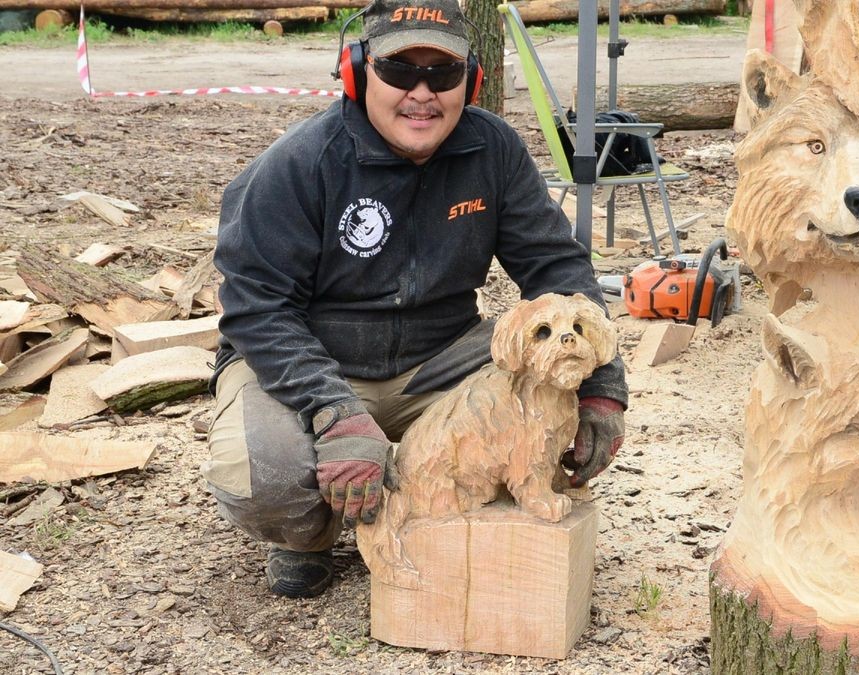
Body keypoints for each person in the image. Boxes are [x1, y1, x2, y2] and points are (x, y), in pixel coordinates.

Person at [202, 0, 627, 599]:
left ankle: (468, 517)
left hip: (439, 359)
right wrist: (335, 410)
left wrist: (602, 389)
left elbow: (557, 269)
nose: (421, 93)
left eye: (442, 74)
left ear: (470, 82)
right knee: (261, 475)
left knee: (541, 390)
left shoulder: (493, 150)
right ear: (358, 73)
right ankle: (306, 534)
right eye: (401, 71)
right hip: (306, 360)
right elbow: (256, 308)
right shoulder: (298, 165)